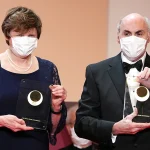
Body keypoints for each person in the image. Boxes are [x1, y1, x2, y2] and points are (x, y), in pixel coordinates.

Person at [75, 13, 150, 150]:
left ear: (148, 37)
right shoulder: (96, 71)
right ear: (118, 37)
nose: (133, 39)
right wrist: (113, 128)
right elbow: (82, 124)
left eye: (139, 33)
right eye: (127, 33)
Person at [0, 6, 67, 150]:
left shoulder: (48, 69)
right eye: (19, 35)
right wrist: (1, 121)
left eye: (30, 36)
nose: (25, 40)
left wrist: (56, 107)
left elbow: (53, 129)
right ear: (7, 36)